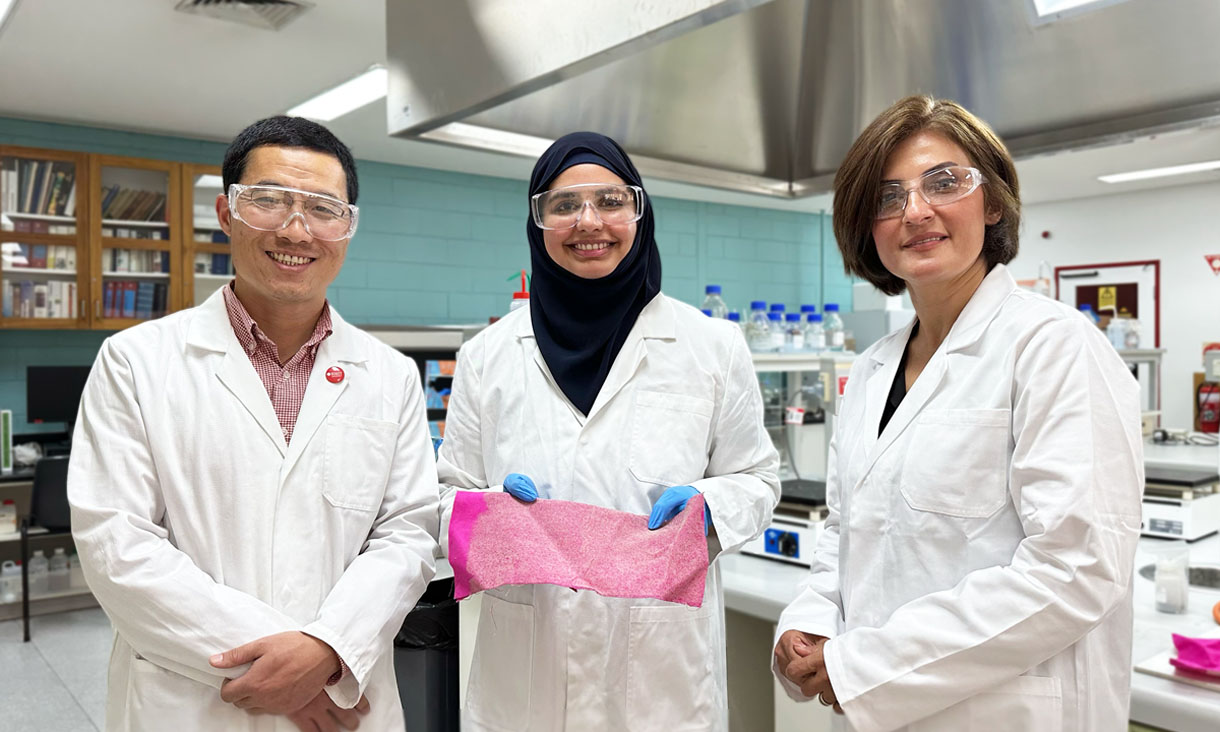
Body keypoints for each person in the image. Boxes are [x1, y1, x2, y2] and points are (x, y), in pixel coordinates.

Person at [772, 96, 1143, 731]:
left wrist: (867, 665)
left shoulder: (1053, 347)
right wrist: (808, 619)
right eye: (887, 197)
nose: (915, 211)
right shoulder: (871, 370)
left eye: (944, 182)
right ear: (866, 227)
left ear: (992, 201)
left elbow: (1076, 568)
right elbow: (846, 530)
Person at [68, 116, 440, 732]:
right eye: (268, 200)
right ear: (225, 212)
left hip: (341, 698)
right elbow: (118, 545)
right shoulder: (136, 362)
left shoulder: (391, 375)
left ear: (347, 228)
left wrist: (325, 651)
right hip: (193, 697)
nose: (296, 229)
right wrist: (283, 668)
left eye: (324, 208)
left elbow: (406, 534)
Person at [436, 131, 780, 731]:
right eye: (563, 205)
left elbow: (757, 477)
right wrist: (484, 515)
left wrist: (710, 506)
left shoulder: (711, 347)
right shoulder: (487, 356)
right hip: (526, 679)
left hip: (658, 677)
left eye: (611, 201)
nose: (588, 221)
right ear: (537, 223)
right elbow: (444, 496)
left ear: (639, 213)